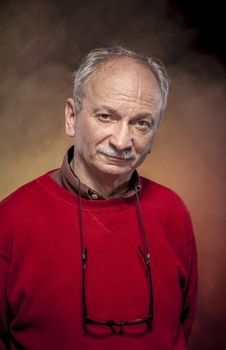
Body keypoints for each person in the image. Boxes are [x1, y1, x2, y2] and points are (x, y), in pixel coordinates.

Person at [0, 47, 197, 350]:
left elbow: (181, 326)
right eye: (106, 116)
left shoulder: (173, 211)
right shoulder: (11, 219)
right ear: (72, 117)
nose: (121, 141)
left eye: (141, 123)